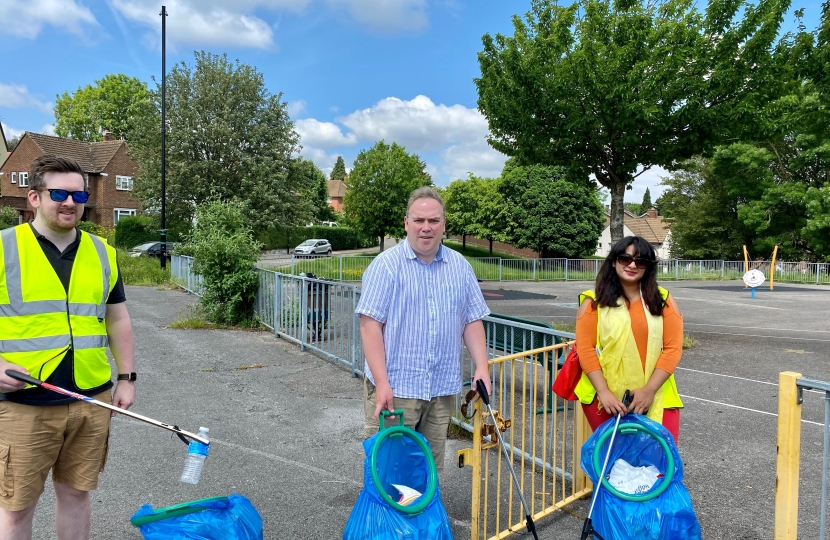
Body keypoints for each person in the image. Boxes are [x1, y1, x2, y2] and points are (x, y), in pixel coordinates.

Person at [0, 155, 136, 540]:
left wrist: (126, 377)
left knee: (76, 495)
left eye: (79, 194)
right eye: (58, 192)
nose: (70, 202)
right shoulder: (3, 248)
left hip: (91, 399)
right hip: (24, 403)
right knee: (16, 507)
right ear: (34, 198)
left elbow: (117, 318)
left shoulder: (101, 252)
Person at [355, 186, 490, 470]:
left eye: (433, 221)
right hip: (396, 389)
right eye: (419, 220)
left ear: (444, 225)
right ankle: (390, 516)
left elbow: (471, 320)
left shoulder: (460, 267)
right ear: (406, 223)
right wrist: (381, 384)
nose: (426, 227)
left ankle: (421, 515)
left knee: (428, 470)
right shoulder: (386, 267)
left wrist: (482, 367)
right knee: (389, 470)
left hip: (440, 389)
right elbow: (370, 327)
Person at [574, 236, 683, 441]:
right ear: (614, 261)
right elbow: (585, 350)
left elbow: (673, 349)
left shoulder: (663, 300)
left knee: (660, 467)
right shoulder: (593, 303)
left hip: (657, 396)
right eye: (625, 258)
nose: (632, 265)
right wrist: (604, 392)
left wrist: (649, 390)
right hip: (605, 400)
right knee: (612, 468)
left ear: (648, 267)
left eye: (640, 261)